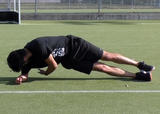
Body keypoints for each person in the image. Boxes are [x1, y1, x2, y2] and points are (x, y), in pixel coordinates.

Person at [7, 35, 155, 84]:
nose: (24, 66)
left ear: (24, 57)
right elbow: (25, 73)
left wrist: (46, 73)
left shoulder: (37, 46)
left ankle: (139, 64)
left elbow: (53, 65)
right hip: (69, 60)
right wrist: (22, 77)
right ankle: (139, 75)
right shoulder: (25, 60)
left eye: (23, 65)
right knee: (101, 68)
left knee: (107, 56)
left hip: (74, 45)